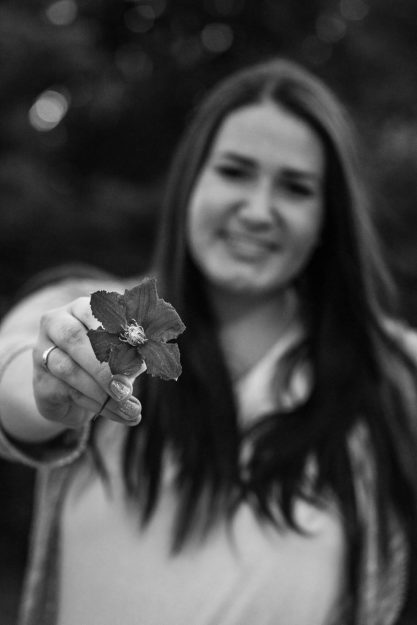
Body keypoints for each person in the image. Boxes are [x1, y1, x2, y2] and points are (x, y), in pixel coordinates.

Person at [0, 57, 417, 625]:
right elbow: (15, 378)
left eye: (295, 187)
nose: (258, 210)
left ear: (327, 218)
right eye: (235, 171)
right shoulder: (85, 316)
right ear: (191, 180)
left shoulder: (390, 373)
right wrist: (48, 388)